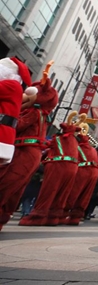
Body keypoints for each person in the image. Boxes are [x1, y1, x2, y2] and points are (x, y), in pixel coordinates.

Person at [0, 63, 57, 229]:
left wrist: (11, 113)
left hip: (24, 151)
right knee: (15, 186)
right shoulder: (40, 113)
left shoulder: (34, 112)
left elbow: (17, 125)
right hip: (27, 152)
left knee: (7, 182)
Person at [19, 112, 83, 226]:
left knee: (49, 191)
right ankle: (54, 217)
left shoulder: (59, 138)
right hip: (73, 168)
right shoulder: (75, 141)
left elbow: (45, 146)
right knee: (62, 193)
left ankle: (37, 217)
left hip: (58, 165)